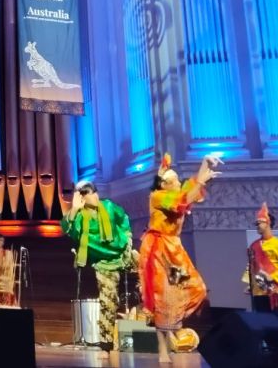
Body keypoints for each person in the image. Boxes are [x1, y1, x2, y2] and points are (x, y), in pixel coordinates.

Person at [139, 153, 222, 362]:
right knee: (163, 297)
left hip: (174, 247)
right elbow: (184, 198)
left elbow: (191, 188)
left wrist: (205, 162)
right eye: (174, 180)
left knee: (197, 288)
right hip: (158, 249)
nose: (179, 182)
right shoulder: (158, 196)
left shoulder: (175, 191)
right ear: (164, 184)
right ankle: (162, 348)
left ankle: (174, 325)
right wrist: (200, 181)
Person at [61, 180, 134, 352]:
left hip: (117, 256)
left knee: (112, 300)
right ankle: (106, 343)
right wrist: (74, 209)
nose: (92, 196)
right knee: (108, 300)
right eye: (86, 194)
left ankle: (109, 340)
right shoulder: (79, 216)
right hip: (99, 262)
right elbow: (67, 229)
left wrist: (127, 238)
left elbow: (123, 219)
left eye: (93, 192)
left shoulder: (108, 207)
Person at [243, 203, 278, 312]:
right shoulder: (254, 245)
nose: (257, 226)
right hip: (259, 290)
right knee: (262, 320)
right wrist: (250, 284)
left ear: (268, 223)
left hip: (274, 288)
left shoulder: (276, 244)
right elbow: (251, 265)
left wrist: (272, 277)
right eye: (256, 224)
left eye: (260, 223)